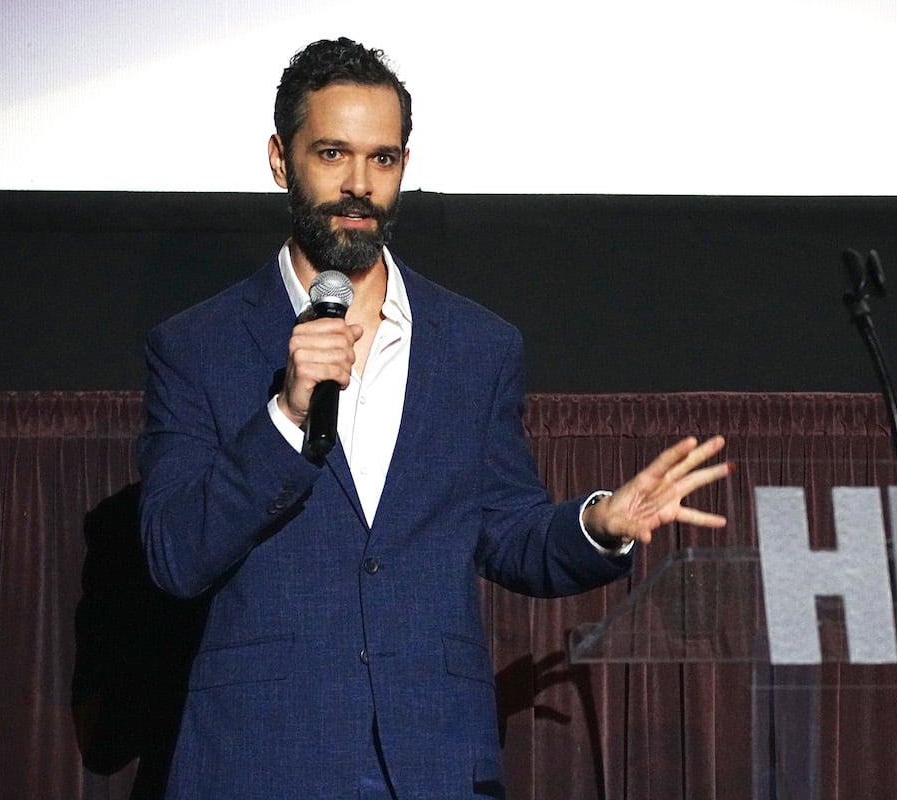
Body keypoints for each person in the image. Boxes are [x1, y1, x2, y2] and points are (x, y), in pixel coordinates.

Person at [138, 37, 729, 800]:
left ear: (404, 169)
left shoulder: (477, 346)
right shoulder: (196, 346)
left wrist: (598, 524)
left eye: (382, 160)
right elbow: (173, 554)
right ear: (281, 160)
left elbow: (505, 530)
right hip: (264, 756)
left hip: (436, 762)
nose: (358, 185)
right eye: (332, 154)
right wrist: (286, 414)